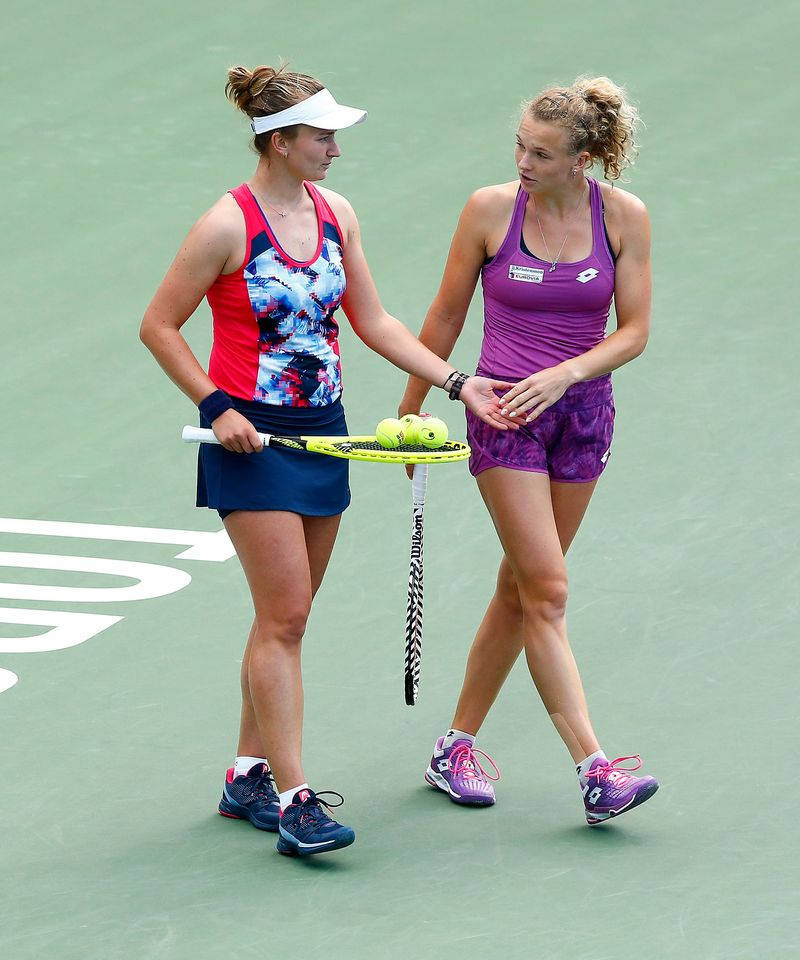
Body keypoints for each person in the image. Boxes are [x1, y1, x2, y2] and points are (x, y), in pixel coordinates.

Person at [139, 64, 514, 857]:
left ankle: (248, 774)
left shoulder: (336, 213)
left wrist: (455, 382)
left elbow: (372, 319)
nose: (335, 150)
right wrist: (216, 407)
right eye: (321, 136)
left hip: (324, 431)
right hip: (253, 440)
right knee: (287, 617)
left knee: (287, 616)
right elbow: (160, 326)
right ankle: (295, 797)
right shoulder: (224, 226)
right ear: (278, 143)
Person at [397, 77, 659, 825]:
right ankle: (595, 769)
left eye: (540, 153)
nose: (522, 160)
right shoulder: (488, 211)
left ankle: (454, 747)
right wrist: (413, 411)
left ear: (583, 159)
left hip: (583, 416)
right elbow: (447, 311)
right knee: (548, 589)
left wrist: (567, 375)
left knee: (521, 587)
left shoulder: (624, 218)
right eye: (519, 144)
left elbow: (633, 330)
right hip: (504, 415)